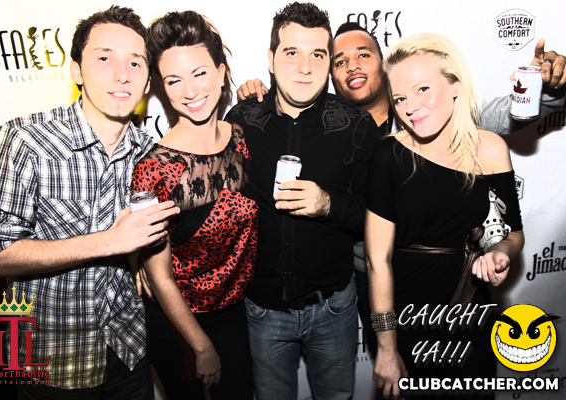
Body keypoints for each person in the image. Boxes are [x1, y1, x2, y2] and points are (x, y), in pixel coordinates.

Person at [237, 21, 565, 356]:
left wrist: (548, 90)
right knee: (392, 362)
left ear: (383, 64)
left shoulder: (429, 112)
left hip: (449, 280)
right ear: (331, 75)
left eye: (363, 55)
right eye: (340, 61)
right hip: (365, 275)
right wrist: (262, 97)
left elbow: (507, 113)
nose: (352, 66)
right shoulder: (328, 125)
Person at [0, 6, 178, 399]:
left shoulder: (151, 153)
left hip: (127, 350)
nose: (122, 74)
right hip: (51, 362)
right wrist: (111, 241)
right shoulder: (26, 141)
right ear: (76, 71)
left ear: (148, 80)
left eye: (136, 62)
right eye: (104, 58)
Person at [225, 2, 380, 399]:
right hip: (263, 309)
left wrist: (329, 204)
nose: (305, 67)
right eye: (292, 52)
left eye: (318, 55)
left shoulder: (357, 126)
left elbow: (378, 219)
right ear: (271, 59)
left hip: (334, 307)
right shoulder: (241, 120)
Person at [364, 33, 525, 399]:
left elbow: (512, 233)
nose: (410, 107)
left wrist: (501, 252)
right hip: (408, 314)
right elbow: (377, 260)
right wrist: (387, 347)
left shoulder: (490, 149)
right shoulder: (388, 156)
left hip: (470, 310)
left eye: (422, 89)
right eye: (400, 98)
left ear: (454, 85)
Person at [131, 11, 257, 400]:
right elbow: (159, 278)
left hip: (234, 311)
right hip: (177, 322)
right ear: (161, 88)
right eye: (174, 80)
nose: (189, 91)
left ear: (221, 72)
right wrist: (200, 347)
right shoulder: (153, 170)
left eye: (199, 73)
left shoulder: (242, 138)